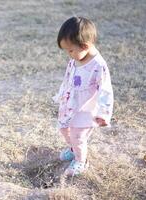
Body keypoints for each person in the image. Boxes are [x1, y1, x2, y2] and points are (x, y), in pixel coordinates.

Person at [52, 16, 114, 176]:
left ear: (85, 45)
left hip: (85, 109)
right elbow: (68, 78)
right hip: (70, 104)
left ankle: (81, 161)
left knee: (78, 136)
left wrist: (103, 113)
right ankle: (73, 149)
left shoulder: (98, 66)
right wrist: (60, 94)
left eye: (70, 50)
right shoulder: (75, 58)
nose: (68, 54)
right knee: (64, 128)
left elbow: (105, 90)